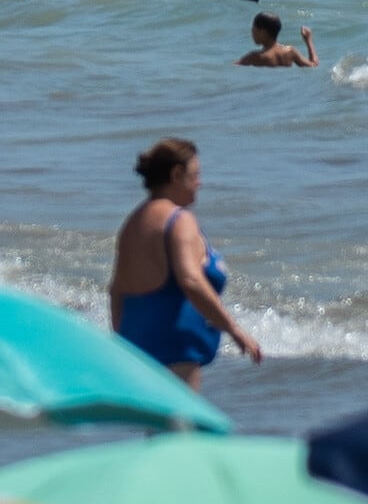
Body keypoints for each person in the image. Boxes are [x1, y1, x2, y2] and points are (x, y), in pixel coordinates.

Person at [109, 138, 259, 376]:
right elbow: (190, 280)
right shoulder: (180, 221)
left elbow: (116, 290)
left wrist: (121, 342)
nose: (200, 183)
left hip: (135, 347)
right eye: (195, 174)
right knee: (183, 415)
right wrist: (234, 329)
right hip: (176, 349)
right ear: (177, 174)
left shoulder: (133, 223)